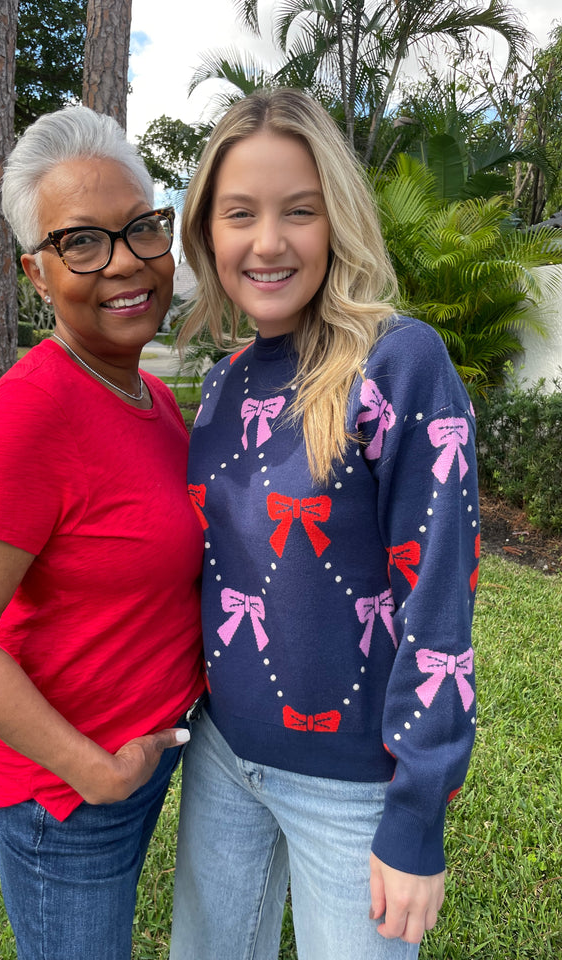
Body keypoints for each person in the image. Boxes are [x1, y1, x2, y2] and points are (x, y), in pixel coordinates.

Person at [169, 89, 479, 960]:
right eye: (241, 214)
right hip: (225, 759)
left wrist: (417, 812)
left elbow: (440, 596)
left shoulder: (399, 362)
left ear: (336, 219)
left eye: (298, 211)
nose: (267, 242)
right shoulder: (223, 383)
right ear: (209, 233)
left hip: (354, 788)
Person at [0, 104, 205, 960]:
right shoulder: (31, 415)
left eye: (142, 229)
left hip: (151, 746)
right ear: (38, 275)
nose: (125, 264)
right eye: (82, 242)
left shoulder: (147, 395)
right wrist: (91, 769)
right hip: (69, 798)